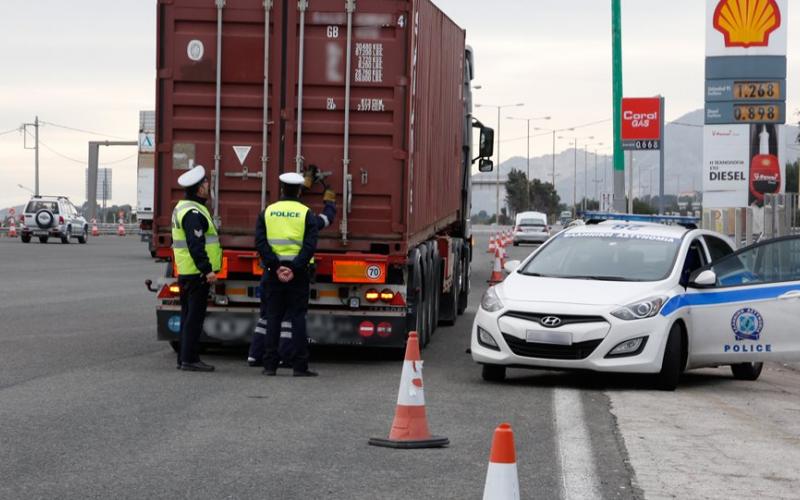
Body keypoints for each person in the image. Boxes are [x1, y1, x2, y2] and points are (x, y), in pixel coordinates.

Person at [247, 172, 336, 367]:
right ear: (299, 191)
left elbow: (260, 243)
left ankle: (266, 362)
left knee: (271, 316)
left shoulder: (268, 211)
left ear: (280, 189)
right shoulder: (306, 214)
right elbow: (313, 239)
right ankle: (298, 364)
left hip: (272, 273)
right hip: (298, 273)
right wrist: (330, 203)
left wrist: (276, 267)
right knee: (296, 317)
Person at [171, 165, 221, 372]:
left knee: (187, 316)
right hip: (196, 272)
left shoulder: (184, 207)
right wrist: (207, 270)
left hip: (187, 271)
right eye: (206, 183)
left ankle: (184, 358)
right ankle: (190, 359)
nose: (208, 186)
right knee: (194, 318)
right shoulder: (192, 212)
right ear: (199, 189)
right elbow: (196, 245)